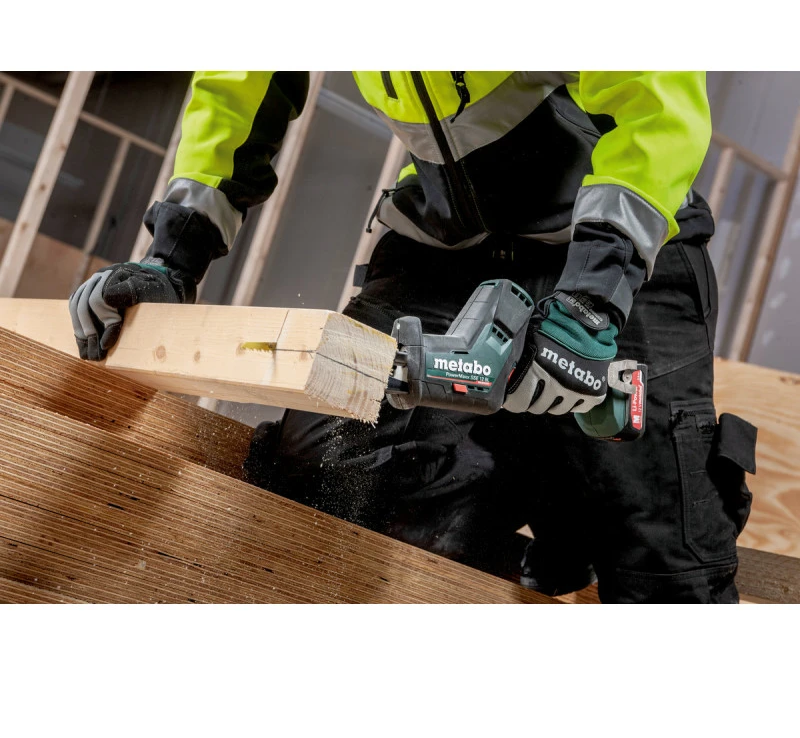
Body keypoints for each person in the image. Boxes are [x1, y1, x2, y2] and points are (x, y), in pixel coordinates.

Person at [69, 71, 756, 603]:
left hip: (621, 241)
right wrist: (173, 257)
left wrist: (593, 297)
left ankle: (573, 506)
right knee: (328, 471)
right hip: (445, 241)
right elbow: (242, 83)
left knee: (664, 564)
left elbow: (654, 100)